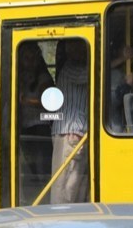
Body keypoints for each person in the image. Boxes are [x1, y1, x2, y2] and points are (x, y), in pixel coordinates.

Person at [50, 39, 89, 204]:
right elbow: (95, 72)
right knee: (65, 189)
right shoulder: (69, 69)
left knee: (77, 189)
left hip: (76, 134)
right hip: (71, 135)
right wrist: (119, 59)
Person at [18, 42, 54, 181]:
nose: (30, 62)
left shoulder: (43, 78)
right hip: (25, 127)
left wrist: (26, 101)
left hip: (40, 128)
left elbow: (48, 103)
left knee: (42, 168)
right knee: (30, 169)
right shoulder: (21, 77)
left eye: (33, 58)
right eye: (26, 58)